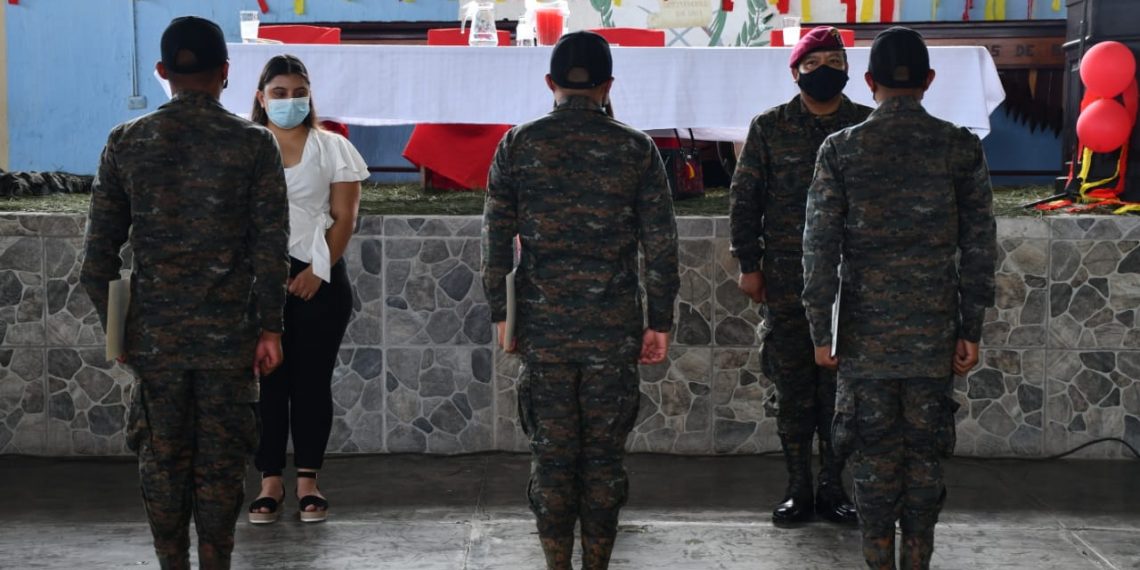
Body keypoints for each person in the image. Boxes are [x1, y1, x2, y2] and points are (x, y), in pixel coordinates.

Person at [80, 16, 290, 570]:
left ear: (161, 71)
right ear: (226, 71)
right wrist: (271, 328)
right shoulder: (254, 143)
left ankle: (170, 561)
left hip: (154, 342)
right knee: (221, 466)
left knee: (162, 462)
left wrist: (119, 332)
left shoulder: (126, 141)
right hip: (229, 341)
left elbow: (96, 261)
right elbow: (271, 247)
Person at [481, 31, 679, 570]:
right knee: (603, 463)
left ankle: (556, 564)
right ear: (608, 85)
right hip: (612, 334)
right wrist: (659, 321)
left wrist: (502, 315)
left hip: (542, 332)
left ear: (550, 83)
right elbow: (661, 245)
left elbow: (495, 239)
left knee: (551, 458)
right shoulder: (636, 149)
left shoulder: (518, 145)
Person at [801, 27, 997, 569]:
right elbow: (980, 246)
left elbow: (819, 249)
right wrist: (971, 328)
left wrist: (821, 331)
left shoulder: (841, 149)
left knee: (872, 460)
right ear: (929, 80)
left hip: (863, 340)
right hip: (933, 337)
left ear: (869, 82)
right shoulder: (959, 146)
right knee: (925, 461)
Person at [729, 26, 870, 525]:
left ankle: (832, 485)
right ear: (795, 72)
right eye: (812, 64)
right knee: (791, 390)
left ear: (848, 70)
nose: (823, 71)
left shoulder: (864, 125)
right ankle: (797, 486)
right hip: (786, 279)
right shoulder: (770, 127)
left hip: (848, 285)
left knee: (837, 393)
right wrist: (749, 264)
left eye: (834, 62)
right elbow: (745, 199)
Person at [245, 55, 367, 525]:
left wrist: (318, 269)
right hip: (261, 278)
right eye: (279, 93)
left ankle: (308, 482)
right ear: (261, 98)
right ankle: (270, 481)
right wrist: (263, 277)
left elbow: (345, 217)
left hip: (320, 278)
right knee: (268, 381)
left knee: (312, 382)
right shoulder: (246, 147)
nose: (290, 101)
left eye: (299, 93)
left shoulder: (333, 148)